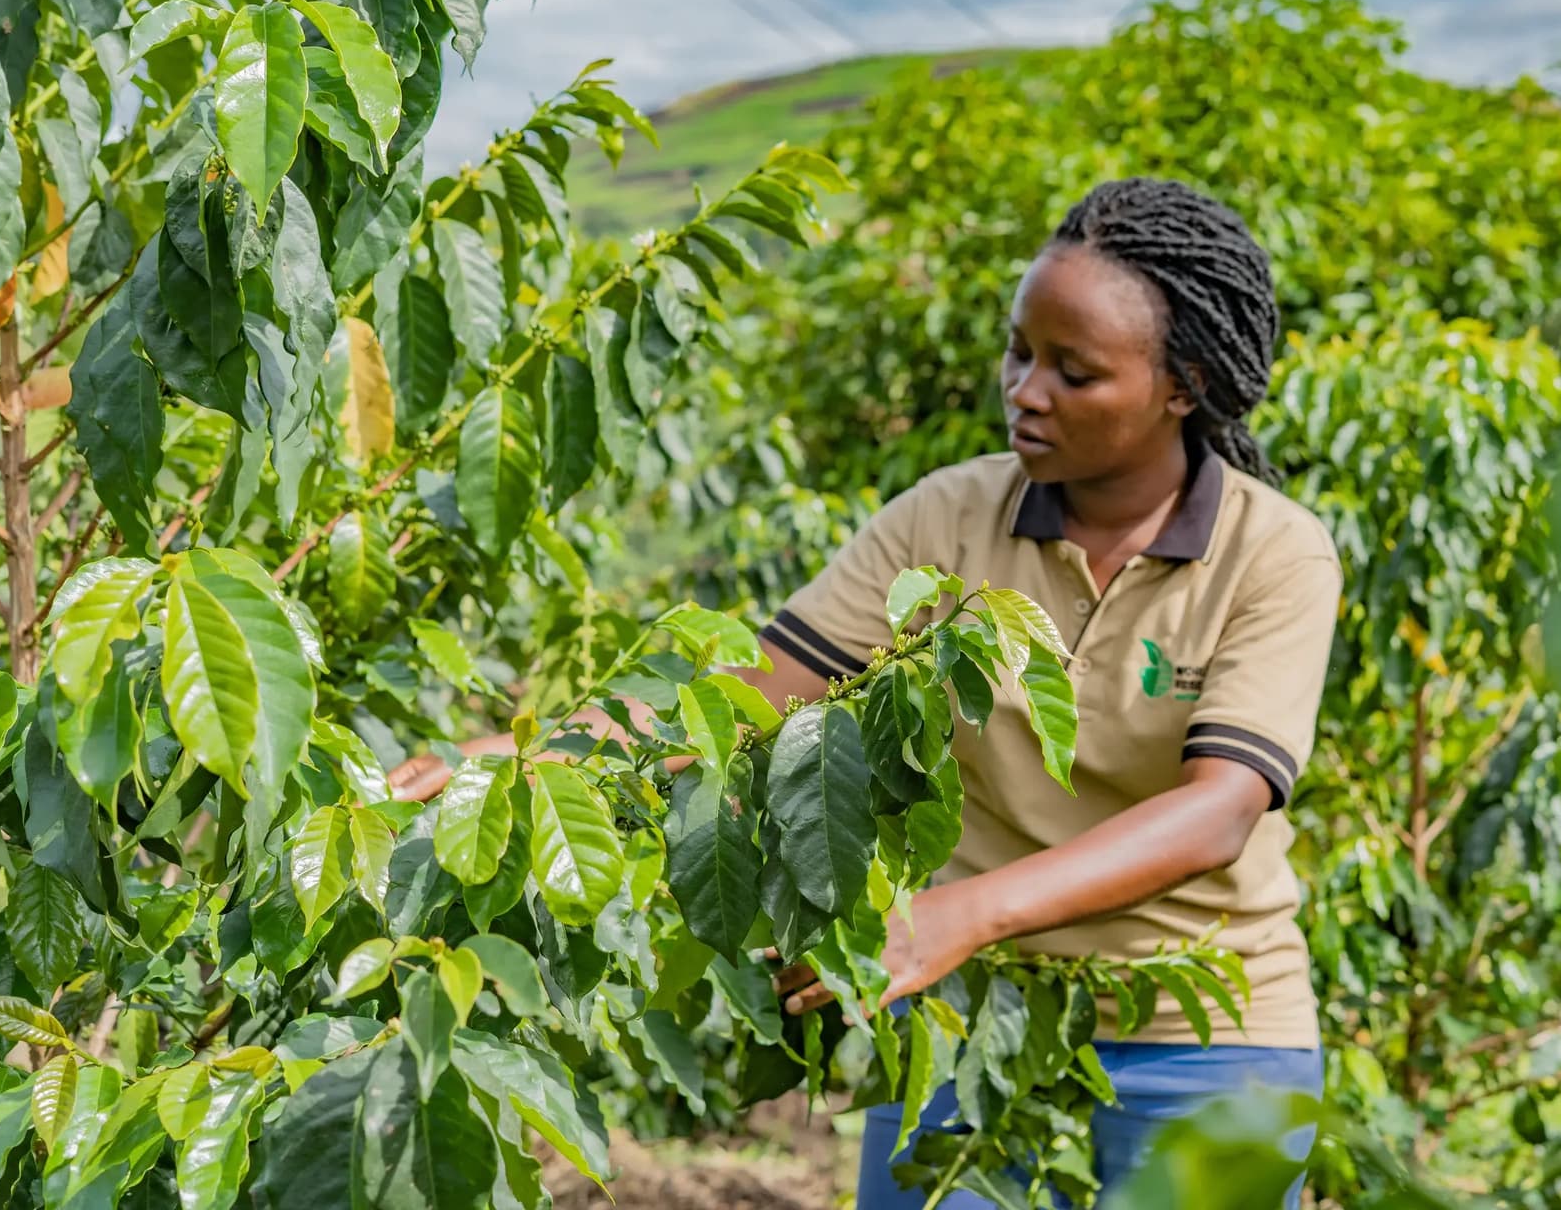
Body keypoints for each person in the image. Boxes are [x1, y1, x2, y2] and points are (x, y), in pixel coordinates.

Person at [389, 178, 1340, 1208]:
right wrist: (523, 755)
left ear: (1184, 385)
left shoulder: (1272, 551)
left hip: (1209, 1037)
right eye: (1020, 352)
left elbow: (1220, 808)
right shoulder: (951, 520)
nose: (1025, 389)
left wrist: (961, 912)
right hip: (963, 1021)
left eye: (1075, 371)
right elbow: (748, 687)